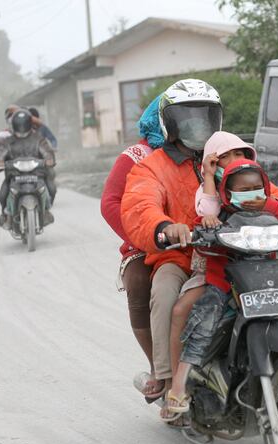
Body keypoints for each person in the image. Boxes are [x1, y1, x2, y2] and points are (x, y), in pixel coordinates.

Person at [160, 157, 278, 422]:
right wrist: (206, 224)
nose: (251, 193)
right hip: (225, 284)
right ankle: (179, 386)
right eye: (242, 190)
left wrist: (270, 204)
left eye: (256, 188)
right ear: (227, 192)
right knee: (203, 322)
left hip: (267, 280)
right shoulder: (219, 214)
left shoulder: (271, 211)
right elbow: (201, 219)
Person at [120, 79, 223, 403]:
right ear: (169, 121)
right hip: (178, 257)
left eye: (204, 116)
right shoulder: (151, 167)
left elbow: (263, 189)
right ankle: (165, 377)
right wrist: (165, 227)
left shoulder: (228, 156)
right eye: (186, 117)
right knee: (163, 296)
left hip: (230, 253)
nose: (197, 125)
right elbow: (140, 206)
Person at [100, 94, 165, 399]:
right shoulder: (137, 155)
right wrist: (144, 236)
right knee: (139, 282)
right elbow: (111, 202)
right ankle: (158, 369)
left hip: (197, 238)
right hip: (147, 242)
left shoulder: (208, 151)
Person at [0, 108, 56, 227]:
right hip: (14, 175)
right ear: (14, 125)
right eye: (19, 125)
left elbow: (47, 151)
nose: (21, 128)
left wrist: (49, 159)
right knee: (2, 194)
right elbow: (0, 153)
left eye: (24, 124)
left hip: (37, 174)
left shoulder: (38, 139)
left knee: (52, 188)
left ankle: (46, 210)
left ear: (29, 124)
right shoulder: (8, 141)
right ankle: (5, 214)